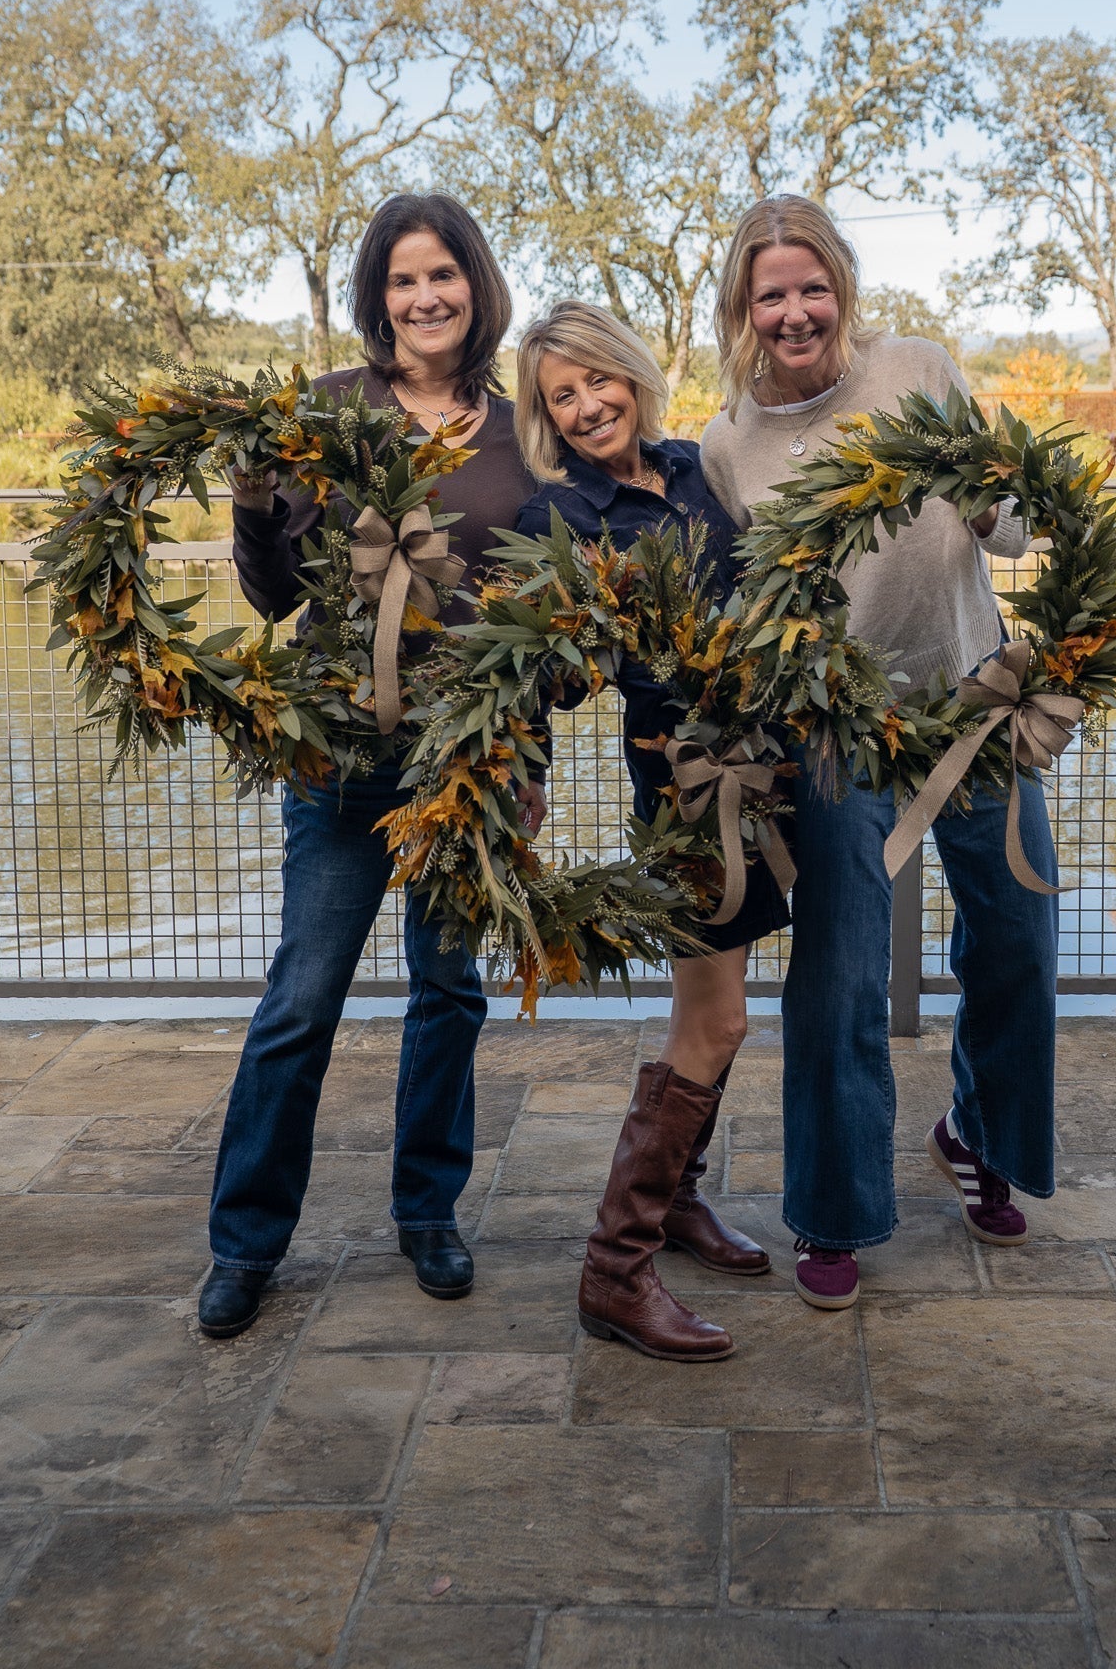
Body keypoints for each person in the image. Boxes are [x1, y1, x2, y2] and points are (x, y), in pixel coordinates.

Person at [701, 195, 1056, 1314]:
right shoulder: (726, 446)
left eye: (813, 287)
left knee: (1017, 935)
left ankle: (978, 1133)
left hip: (970, 696)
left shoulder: (916, 369)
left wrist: (1006, 499)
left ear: (842, 289)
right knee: (841, 970)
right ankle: (835, 1209)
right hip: (838, 731)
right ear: (743, 310)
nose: (796, 311)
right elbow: (748, 599)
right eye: (773, 294)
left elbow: (1011, 528)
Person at [198, 194, 546, 1339]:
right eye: (403, 279)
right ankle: (246, 1239)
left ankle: (427, 1209)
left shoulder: (522, 431)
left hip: (470, 763)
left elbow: (554, 607)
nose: (425, 295)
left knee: (449, 989)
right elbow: (276, 595)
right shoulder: (327, 415)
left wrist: (526, 747)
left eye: (443, 272)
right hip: (342, 756)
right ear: (376, 296)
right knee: (303, 994)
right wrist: (253, 507)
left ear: (475, 283)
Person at [513, 300, 789, 1363]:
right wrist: (526, 764)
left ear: (632, 372)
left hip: (763, 775)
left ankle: (674, 1207)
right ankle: (613, 1269)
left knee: (722, 1017)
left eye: (597, 381)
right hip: (682, 791)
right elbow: (543, 667)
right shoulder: (565, 518)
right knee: (712, 1024)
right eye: (561, 396)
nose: (586, 407)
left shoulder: (694, 468)